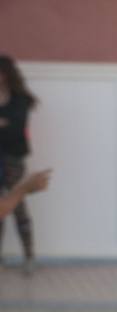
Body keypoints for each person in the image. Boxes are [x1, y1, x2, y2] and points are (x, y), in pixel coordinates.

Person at [0, 56, 39, 274]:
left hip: (13, 158)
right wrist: (4, 123)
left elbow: (17, 129)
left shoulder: (19, 99)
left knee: (17, 206)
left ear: (5, 75)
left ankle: (29, 256)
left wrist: (6, 125)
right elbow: (9, 126)